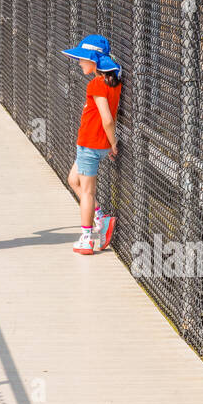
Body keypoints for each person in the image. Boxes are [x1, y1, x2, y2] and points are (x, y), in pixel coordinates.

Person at [61, 35, 121, 256]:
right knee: (73, 180)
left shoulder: (96, 84)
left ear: (95, 61)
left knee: (86, 191)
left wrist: (113, 143)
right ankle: (101, 218)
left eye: (83, 59)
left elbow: (107, 119)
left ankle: (87, 238)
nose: (79, 62)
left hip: (90, 145)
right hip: (93, 145)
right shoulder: (113, 82)